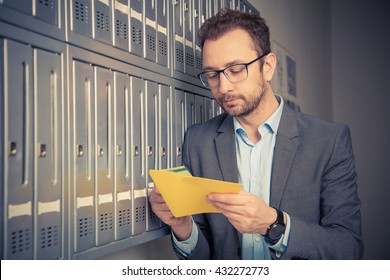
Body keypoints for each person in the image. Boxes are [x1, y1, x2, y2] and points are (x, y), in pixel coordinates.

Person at [149, 9, 363, 260]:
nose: (224, 86)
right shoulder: (198, 141)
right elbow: (204, 259)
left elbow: (349, 248)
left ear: (268, 66)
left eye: (236, 69)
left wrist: (273, 224)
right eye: (212, 74)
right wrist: (183, 227)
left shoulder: (328, 141)